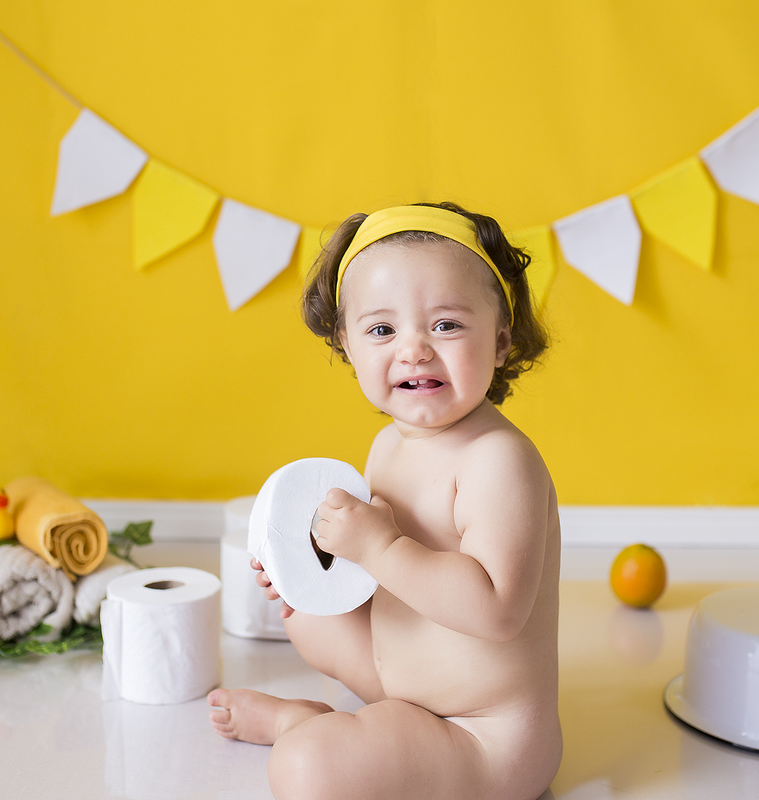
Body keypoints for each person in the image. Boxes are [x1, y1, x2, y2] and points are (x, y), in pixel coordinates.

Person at [208, 202, 561, 800]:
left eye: (446, 325)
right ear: (347, 345)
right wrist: (318, 562)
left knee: (304, 769)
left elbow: (497, 610)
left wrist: (379, 546)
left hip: (483, 738)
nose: (415, 349)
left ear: (501, 341)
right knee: (308, 618)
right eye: (381, 330)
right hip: (398, 681)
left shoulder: (499, 460)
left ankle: (304, 726)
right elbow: (381, 578)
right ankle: (351, 729)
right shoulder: (387, 445)